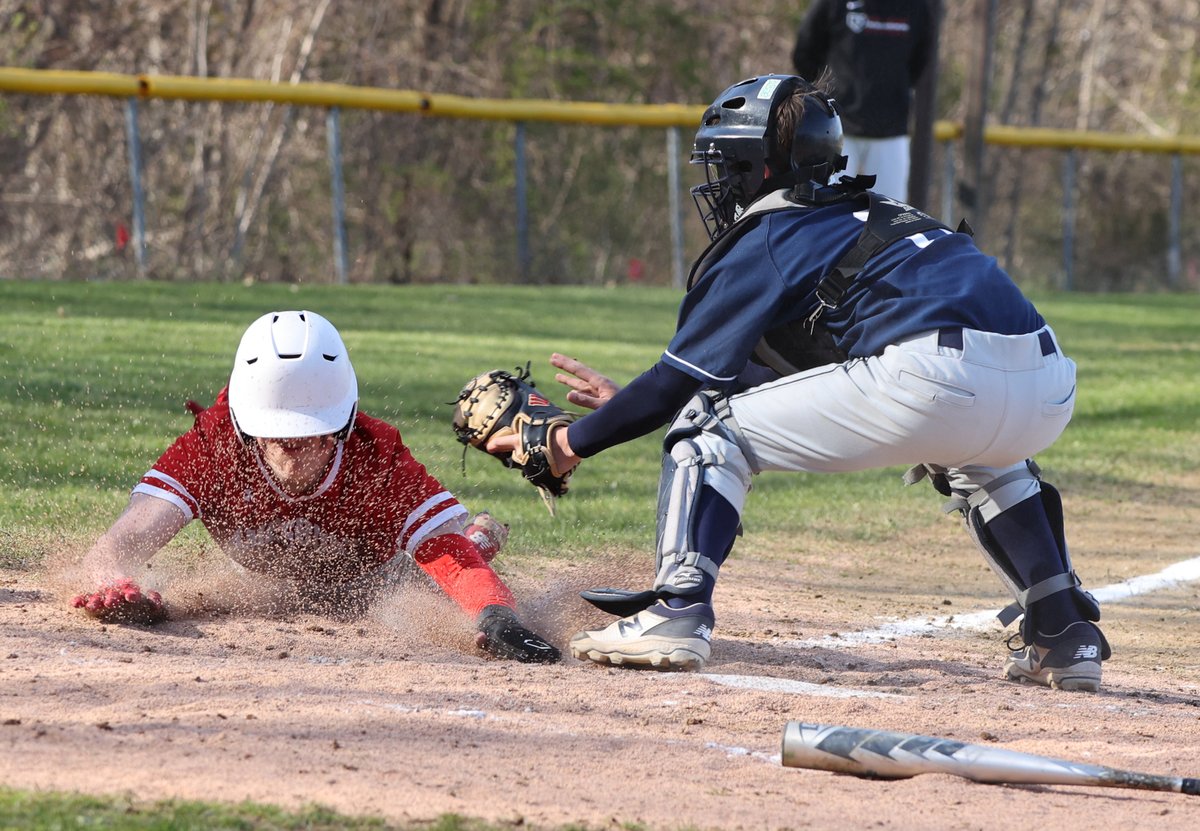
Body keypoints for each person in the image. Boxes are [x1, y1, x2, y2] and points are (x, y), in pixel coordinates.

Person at [489, 74, 1109, 691]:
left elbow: (681, 386)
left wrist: (568, 445)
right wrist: (632, 403)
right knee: (985, 455)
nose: (716, 180)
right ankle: (1063, 630)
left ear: (755, 167)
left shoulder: (770, 233)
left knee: (706, 429)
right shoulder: (880, 210)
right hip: (1046, 386)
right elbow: (781, 380)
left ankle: (676, 611)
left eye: (724, 163)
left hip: (932, 380)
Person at [73, 309, 560, 664]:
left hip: (379, 578)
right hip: (268, 578)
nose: (293, 445)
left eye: (312, 431)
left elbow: (447, 557)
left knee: (420, 587)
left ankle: (480, 536)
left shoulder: (377, 455)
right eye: (277, 431)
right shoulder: (215, 443)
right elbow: (127, 538)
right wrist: (113, 584)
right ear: (244, 423)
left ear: (345, 420)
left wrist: (496, 614)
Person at [792, 0, 935, 201]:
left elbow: (919, 60)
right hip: (834, 129)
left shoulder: (916, 6)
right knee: (826, 209)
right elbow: (805, 52)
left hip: (890, 131)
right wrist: (826, 98)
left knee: (892, 215)